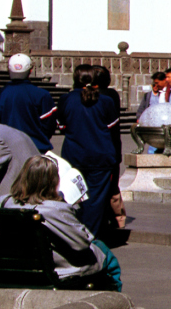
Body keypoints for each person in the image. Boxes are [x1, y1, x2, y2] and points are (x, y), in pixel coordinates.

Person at [0, 156, 117, 291]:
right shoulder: (54, 209)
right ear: (52, 182)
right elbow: (82, 243)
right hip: (56, 271)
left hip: (17, 264)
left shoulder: (3, 202)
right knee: (106, 255)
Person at [61, 64, 124, 243]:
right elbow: (112, 129)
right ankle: (90, 236)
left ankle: (73, 234)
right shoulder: (106, 101)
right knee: (95, 199)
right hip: (101, 155)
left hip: (74, 155)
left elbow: (61, 125)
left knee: (74, 195)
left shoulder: (67, 99)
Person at [0, 56, 59, 152]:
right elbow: (49, 124)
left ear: (9, 69)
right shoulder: (41, 95)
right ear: (30, 71)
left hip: (6, 147)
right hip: (35, 146)